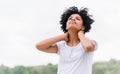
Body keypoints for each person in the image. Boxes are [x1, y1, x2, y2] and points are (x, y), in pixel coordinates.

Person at [35, 6, 97, 74]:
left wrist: (81, 34)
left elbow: (88, 47)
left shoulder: (90, 42)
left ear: (83, 27)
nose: (72, 19)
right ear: (66, 25)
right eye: (70, 18)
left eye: (77, 19)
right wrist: (62, 37)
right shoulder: (61, 45)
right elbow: (39, 46)